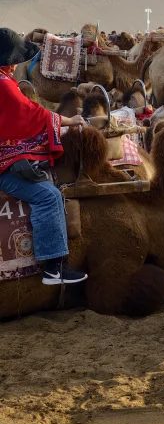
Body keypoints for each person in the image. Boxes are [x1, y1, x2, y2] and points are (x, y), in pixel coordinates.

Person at [0, 29, 88, 285]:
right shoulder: (4, 85)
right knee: (48, 196)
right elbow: (30, 113)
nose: (17, 63)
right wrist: (69, 121)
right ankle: (53, 269)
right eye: (15, 58)